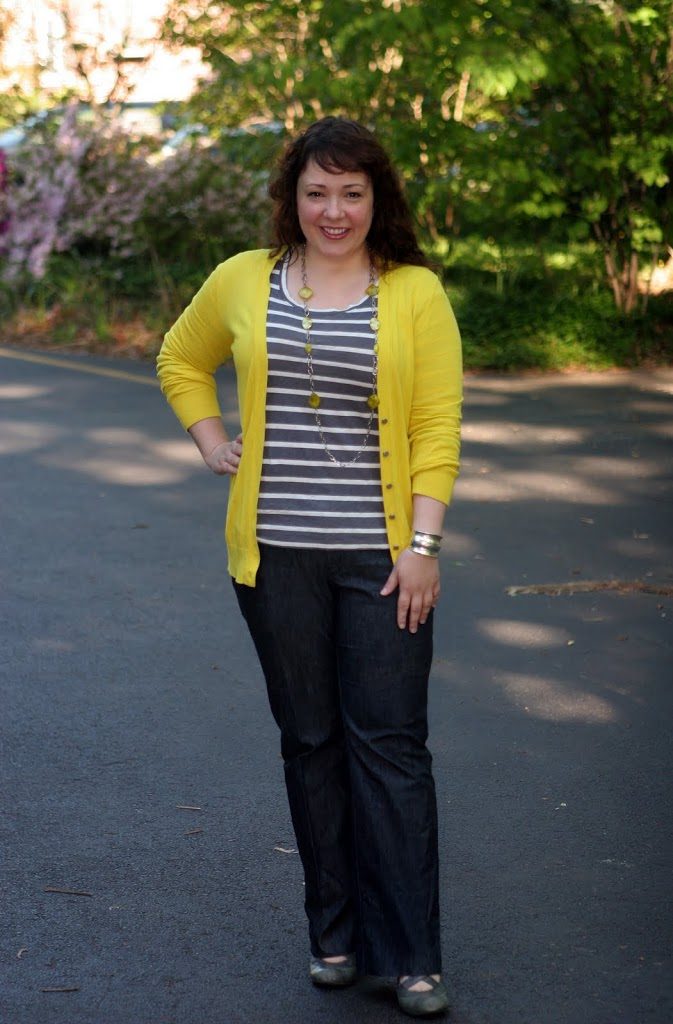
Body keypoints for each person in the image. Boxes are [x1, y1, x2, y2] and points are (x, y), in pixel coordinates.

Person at [156, 116, 462, 1018]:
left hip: (381, 560)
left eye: (351, 193)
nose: (334, 211)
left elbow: (434, 428)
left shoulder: (413, 292)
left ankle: (411, 957)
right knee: (311, 743)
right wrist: (212, 441)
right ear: (291, 197)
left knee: (390, 747)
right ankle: (334, 935)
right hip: (274, 558)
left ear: (376, 199)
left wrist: (422, 549)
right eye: (317, 192)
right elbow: (180, 357)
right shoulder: (242, 279)